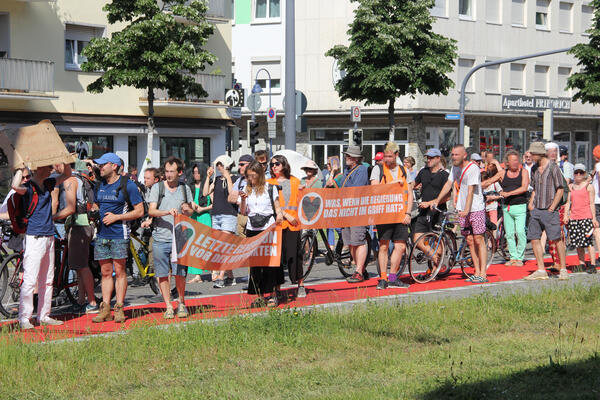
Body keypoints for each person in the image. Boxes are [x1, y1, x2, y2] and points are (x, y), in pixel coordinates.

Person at [13, 164, 72, 330]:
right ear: (39, 169)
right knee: (30, 279)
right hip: (35, 237)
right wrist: (19, 168)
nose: (51, 170)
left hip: (48, 236)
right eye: (48, 167)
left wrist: (65, 159)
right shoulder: (28, 187)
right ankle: (24, 318)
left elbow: (67, 173)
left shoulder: (48, 183)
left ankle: (44, 315)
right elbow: (14, 186)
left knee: (47, 279)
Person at [91, 153, 144, 323]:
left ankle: (119, 307)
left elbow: (139, 211)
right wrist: (93, 211)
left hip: (119, 234)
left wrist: (116, 217)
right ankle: (105, 308)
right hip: (101, 234)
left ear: (114, 166)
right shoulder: (99, 185)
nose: (100, 168)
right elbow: (96, 204)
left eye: (103, 165)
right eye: (99, 165)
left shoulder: (128, 186)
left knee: (120, 271)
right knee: (105, 272)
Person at [434, 145, 488, 283]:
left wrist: (467, 210)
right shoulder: (455, 168)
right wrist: (437, 200)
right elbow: (448, 184)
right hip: (462, 209)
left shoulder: (473, 168)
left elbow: (471, 190)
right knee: (469, 241)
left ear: (464, 155)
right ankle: (476, 271)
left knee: (478, 239)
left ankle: (483, 273)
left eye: (456, 155)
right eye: (452, 154)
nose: (453, 157)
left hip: (475, 208)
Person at [148, 156, 194, 319]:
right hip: (161, 237)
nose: (168, 174)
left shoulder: (184, 188)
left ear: (179, 173)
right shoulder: (157, 188)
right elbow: (151, 211)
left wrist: (186, 208)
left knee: (180, 273)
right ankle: (168, 305)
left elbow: (190, 211)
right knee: (162, 274)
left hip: (179, 238)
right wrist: (167, 212)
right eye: (166, 171)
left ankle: (181, 302)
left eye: (171, 172)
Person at [52, 163, 98, 314]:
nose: (53, 166)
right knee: (79, 266)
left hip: (79, 225)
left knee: (82, 266)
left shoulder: (70, 180)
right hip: (85, 223)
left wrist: (51, 217)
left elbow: (70, 208)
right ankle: (81, 301)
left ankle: (91, 301)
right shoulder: (80, 176)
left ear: (61, 164)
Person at [239, 161, 284, 307]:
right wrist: (243, 200)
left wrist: (279, 215)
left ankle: (271, 294)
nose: (250, 179)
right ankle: (259, 294)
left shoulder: (270, 188)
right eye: (248, 176)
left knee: (270, 262)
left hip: (268, 227)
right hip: (253, 228)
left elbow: (277, 206)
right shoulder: (246, 188)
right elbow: (243, 212)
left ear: (259, 174)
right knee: (256, 264)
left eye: (253, 175)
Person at [370, 142, 412, 289]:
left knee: (400, 246)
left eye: (389, 156)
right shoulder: (378, 169)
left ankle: (393, 277)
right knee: (383, 246)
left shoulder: (404, 170)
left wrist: (408, 212)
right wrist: (394, 182)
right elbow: (374, 188)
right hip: (384, 214)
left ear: (396, 155)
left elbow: (410, 193)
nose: (386, 159)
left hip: (401, 214)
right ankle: (383, 278)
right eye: (385, 156)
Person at [524, 142, 568, 281]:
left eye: (533, 153)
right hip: (537, 208)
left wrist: (552, 207)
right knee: (534, 238)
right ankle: (541, 269)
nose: (530, 156)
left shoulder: (553, 167)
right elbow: (534, 188)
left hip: (550, 209)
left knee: (556, 239)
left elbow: (560, 188)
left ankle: (563, 269)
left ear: (540, 154)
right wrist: (531, 203)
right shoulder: (535, 169)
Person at [268, 155, 306, 298]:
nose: (274, 167)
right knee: (276, 258)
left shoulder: (295, 181)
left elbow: (303, 200)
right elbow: (271, 204)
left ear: (284, 164)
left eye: (277, 164)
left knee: (294, 256)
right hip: (277, 223)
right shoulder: (269, 182)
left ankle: (300, 284)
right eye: (272, 165)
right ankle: (276, 288)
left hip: (293, 224)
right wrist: (285, 214)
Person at [414, 148, 450, 276]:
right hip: (423, 211)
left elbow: (448, 196)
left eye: (431, 158)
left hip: (438, 212)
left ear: (438, 159)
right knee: (416, 239)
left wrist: (431, 203)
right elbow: (412, 184)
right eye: (427, 158)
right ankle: (436, 259)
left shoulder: (444, 175)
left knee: (436, 241)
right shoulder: (423, 172)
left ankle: (435, 270)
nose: (428, 160)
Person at [204, 155, 237, 288]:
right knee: (220, 247)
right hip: (216, 214)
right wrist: (208, 177)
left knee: (224, 245)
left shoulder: (234, 178)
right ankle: (230, 276)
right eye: (218, 165)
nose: (219, 167)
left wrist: (227, 175)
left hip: (229, 215)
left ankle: (221, 277)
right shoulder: (216, 180)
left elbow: (231, 193)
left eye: (221, 165)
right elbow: (205, 192)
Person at [340, 145, 371, 283]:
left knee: (359, 240)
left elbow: (356, 190)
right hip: (347, 211)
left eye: (349, 156)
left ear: (355, 159)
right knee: (350, 242)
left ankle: (358, 271)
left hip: (358, 210)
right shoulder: (347, 171)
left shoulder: (362, 170)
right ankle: (362, 269)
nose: (346, 158)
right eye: (346, 155)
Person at [564, 164, 598, 274]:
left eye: (581, 172)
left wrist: (594, 218)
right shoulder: (570, 187)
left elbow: (592, 203)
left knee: (588, 242)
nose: (578, 175)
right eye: (576, 172)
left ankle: (592, 264)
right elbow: (568, 203)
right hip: (574, 217)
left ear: (584, 174)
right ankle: (582, 263)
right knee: (578, 242)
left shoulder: (589, 186)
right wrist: (566, 215)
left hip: (586, 216)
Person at [498, 150, 530, 267]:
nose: (516, 163)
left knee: (520, 232)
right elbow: (489, 181)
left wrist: (508, 193)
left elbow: (524, 188)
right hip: (507, 207)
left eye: (517, 160)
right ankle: (513, 257)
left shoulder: (524, 172)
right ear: (507, 163)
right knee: (509, 234)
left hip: (520, 206)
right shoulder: (502, 173)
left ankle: (520, 257)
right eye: (513, 161)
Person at [186, 163, 213, 284]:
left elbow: (214, 203)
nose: (195, 174)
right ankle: (197, 275)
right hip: (193, 217)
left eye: (197, 172)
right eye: (194, 172)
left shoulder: (208, 185)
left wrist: (203, 209)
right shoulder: (189, 186)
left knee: (207, 245)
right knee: (194, 246)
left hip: (205, 216)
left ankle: (213, 271)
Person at [229, 154, 254, 238]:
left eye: (242, 164)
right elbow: (231, 199)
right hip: (241, 216)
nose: (239, 167)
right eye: (239, 164)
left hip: (252, 216)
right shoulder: (240, 180)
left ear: (250, 165)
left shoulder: (256, 180)